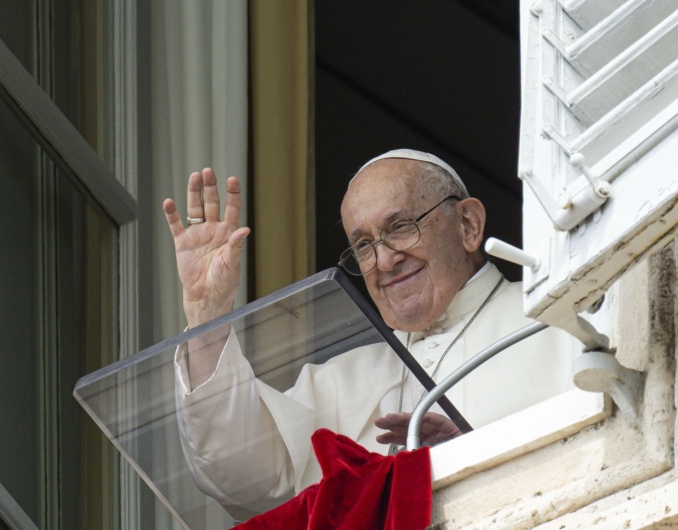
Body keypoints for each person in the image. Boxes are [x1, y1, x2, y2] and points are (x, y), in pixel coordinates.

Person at [163, 149, 578, 515]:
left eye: (400, 227)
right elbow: (239, 476)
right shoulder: (341, 380)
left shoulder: (559, 318)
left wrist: (478, 453)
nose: (383, 260)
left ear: (468, 225)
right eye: (362, 245)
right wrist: (207, 311)